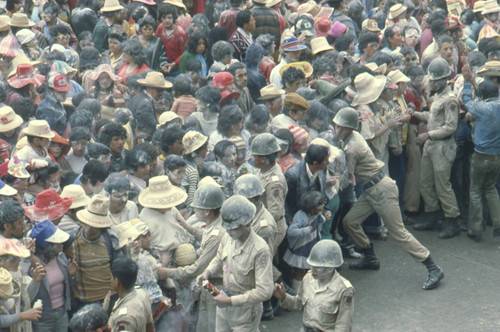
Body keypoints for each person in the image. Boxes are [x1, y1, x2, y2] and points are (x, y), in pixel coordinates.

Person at [332, 107, 444, 290]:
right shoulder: (352, 137)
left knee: (399, 233)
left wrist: (332, 181)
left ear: (350, 128)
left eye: (341, 127)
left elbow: (348, 178)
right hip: (372, 189)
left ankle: (432, 267)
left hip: (381, 190)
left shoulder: (351, 147)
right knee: (350, 222)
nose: (337, 130)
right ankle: (370, 257)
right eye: (336, 126)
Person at [196, 195, 273, 331]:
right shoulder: (228, 237)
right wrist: (207, 272)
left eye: (233, 228)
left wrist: (231, 301)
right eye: (227, 227)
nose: (229, 231)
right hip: (224, 304)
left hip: (245, 311)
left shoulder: (260, 250)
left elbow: (264, 291)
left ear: (247, 223)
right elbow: (219, 258)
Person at [411, 58, 461, 239]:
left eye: (434, 80)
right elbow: (431, 118)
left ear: (443, 80)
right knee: (425, 183)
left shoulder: (449, 100)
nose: (431, 83)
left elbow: (450, 126)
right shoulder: (438, 96)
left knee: (443, 186)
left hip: (443, 146)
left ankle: (452, 219)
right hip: (431, 145)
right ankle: (433, 215)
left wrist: (429, 135)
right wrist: (415, 114)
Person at [165, 184, 225, 332]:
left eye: (197, 208)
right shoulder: (214, 225)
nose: (194, 210)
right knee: (204, 323)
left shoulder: (216, 234)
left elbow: (198, 268)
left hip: (215, 285)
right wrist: (186, 226)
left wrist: (168, 272)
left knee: (212, 325)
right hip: (209, 284)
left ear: (207, 211)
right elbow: (204, 235)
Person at [273, 240, 354, 332]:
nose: (313, 270)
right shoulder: (308, 279)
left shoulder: (344, 290)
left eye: (318, 267)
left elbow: (344, 325)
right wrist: (284, 297)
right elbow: (299, 304)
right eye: (311, 265)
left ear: (330, 268)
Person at [461, 65, 500, 241]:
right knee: (491, 189)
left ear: (482, 97)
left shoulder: (481, 108)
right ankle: (498, 223)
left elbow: (467, 100)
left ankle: (475, 229)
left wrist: (468, 81)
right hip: (496, 156)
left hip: (480, 155)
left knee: (476, 191)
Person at [64, 195, 122, 309]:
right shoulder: (70, 239)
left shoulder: (111, 239)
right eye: (87, 224)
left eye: (95, 226)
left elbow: (119, 267)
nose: (90, 229)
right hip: (83, 302)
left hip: (109, 299)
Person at [29, 219, 77, 332]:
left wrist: (71, 276)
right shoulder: (32, 264)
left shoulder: (61, 257)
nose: (62, 244)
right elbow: (27, 295)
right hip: (42, 318)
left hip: (62, 313)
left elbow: (68, 285)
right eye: (57, 243)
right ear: (48, 246)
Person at [108, 257, 154, 332]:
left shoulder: (125, 318)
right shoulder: (142, 294)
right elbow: (150, 327)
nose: (110, 280)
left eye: (111, 277)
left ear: (116, 281)